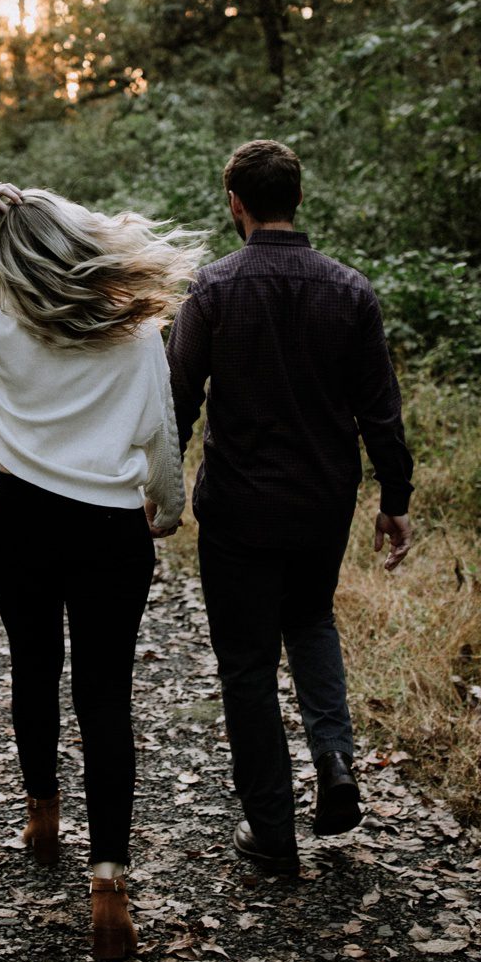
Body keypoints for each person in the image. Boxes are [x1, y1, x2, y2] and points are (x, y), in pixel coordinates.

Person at [0, 181, 204, 960]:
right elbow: (159, 430)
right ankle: (108, 884)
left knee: (33, 667)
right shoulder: (136, 329)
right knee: (106, 693)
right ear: (79, 247)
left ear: (11, 261)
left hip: (18, 521)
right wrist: (168, 507)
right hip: (111, 530)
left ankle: (42, 816)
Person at [167, 139, 417, 876]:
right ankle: (335, 763)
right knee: (311, 621)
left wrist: (160, 492)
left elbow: (176, 404)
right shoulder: (350, 291)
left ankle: (272, 832)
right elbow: (382, 414)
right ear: (299, 199)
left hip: (240, 509)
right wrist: (394, 500)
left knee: (245, 662)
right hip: (321, 505)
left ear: (235, 205)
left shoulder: (212, 290)